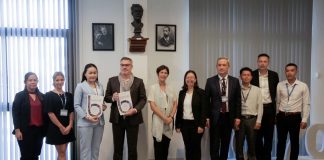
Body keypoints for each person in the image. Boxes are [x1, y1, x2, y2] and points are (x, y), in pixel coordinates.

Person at [104, 57, 147, 160]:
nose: (124, 67)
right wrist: (113, 98)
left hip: (133, 118)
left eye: (127, 65)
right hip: (117, 119)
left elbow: (143, 99)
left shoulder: (139, 81)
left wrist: (135, 109)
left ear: (131, 66)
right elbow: (106, 97)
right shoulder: (112, 80)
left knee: (132, 148)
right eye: (122, 65)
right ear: (120, 66)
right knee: (117, 148)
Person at [205, 57, 241, 160]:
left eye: (224, 65)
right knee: (214, 144)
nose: (221, 67)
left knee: (225, 144)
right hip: (215, 117)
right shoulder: (210, 81)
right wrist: (207, 117)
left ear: (228, 67)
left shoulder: (235, 81)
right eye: (219, 65)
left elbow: (238, 101)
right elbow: (206, 101)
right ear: (216, 67)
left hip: (229, 117)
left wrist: (238, 117)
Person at [276, 63, 310, 160]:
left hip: (295, 117)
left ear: (296, 71)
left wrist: (304, 119)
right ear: (285, 72)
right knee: (281, 141)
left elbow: (306, 104)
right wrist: (277, 115)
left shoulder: (303, 86)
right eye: (287, 70)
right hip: (281, 116)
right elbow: (278, 102)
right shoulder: (280, 85)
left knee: (294, 142)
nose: (289, 73)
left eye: (292, 70)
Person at [74, 63, 106, 160]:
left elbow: (102, 101)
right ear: (85, 74)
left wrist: (103, 106)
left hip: (99, 122)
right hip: (85, 122)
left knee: (96, 149)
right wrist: (87, 116)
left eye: (95, 73)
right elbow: (76, 105)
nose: (93, 75)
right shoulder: (80, 86)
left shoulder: (100, 86)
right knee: (85, 150)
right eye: (90, 73)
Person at [12, 72, 47, 160]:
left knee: (36, 155)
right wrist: (17, 130)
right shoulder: (19, 96)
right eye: (30, 80)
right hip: (24, 131)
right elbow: (15, 113)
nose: (33, 82)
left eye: (35, 80)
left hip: (39, 131)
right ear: (25, 82)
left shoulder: (42, 96)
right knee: (26, 156)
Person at [251, 53, 279, 160]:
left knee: (268, 137)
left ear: (268, 63)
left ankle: (267, 157)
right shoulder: (252, 74)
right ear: (257, 62)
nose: (262, 63)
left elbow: (276, 93)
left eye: (265, 61)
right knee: (256, 137)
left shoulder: (274, 75)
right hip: (256, 110)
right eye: (260, 61)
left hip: (269, 110)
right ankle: (260, 157)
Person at [175, 70, 208, 160]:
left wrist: (202, 125)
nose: (190, 79)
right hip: (184, 125)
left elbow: (204, 110)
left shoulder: (201, 92)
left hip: (196, 125)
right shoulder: (181, 93)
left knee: (196, 148)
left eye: (192, 77)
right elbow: (179, 110)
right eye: (187, 77)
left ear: (195, 79)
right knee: (188, 147)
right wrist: (177, 125)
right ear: (185, 80)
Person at [148, 65, 177, 160]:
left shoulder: (171, 88)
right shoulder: (153, 88)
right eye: (162, 72)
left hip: (169, 120)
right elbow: (152, 106)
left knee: (166, 148)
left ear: (167, 75)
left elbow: (175, 103)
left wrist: (171, 117)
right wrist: (164, 118)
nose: (163, 74)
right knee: (158, 148)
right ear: (158, 74)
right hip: (158, 120)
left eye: (165, 73)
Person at [45, 72, 75, 160]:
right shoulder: (49, 95)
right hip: (56, 127)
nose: (59, 82)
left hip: (67, 127)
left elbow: (71, 111)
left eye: (61, 80)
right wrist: (61, 127)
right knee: (62, 152)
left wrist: (70, 125)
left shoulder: (68, 95)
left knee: (62, 152)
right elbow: (50, 113)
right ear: (53, 81)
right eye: (57, 80)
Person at [235, 67, 263, 160]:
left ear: (251, 77)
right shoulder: (236, 89)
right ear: (240, 77)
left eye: (248, 75)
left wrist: (258, 121)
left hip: (252, 120)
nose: (246, 77)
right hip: (240, 120)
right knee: (239, 145)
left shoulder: (257, 90)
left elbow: (260, 107)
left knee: (252, 144)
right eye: (244, 75)